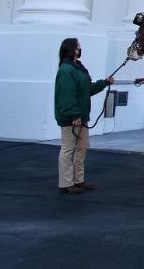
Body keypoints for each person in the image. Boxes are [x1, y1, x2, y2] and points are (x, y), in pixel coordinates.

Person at [54, 37, 113, 194]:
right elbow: (66, 96)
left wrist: (104, 83)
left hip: (81, 117)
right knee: (68, 149)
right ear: (72, 49)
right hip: (71, 119)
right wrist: (74, 115)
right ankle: (66, 184)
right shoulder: (66, 71)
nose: (80, 49)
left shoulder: (78, 68)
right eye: (78, 46)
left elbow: (87, 90)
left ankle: (78, 180)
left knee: (82, 148)